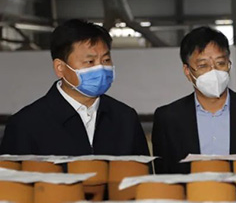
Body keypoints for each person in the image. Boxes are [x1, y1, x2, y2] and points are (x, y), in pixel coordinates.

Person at [0, 19, 148, 156]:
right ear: (60, 68)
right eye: (90, 62)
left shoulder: (126, 118)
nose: (101, 68)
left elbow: (143, 173)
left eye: (106, 59)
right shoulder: (25, 124)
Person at [152, 27, 236, 174]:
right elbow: (164, 175)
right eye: (203, 65)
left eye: (220, 63)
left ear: (229, 64)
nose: (213, 71)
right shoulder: (168, 118)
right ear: (187, 71)